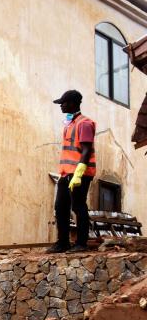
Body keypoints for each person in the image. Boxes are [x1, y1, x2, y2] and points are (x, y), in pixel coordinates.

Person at [48, 89, 96, 253]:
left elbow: (86, 150)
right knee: (60, 207)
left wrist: (79, 173)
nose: (61, 106)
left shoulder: (84, 123)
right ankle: (63, 243)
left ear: (73, 104)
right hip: (66, 173)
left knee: (78, 206)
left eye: (64, 103)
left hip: (79, 173)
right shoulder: (71, 124)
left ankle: (81, 243)